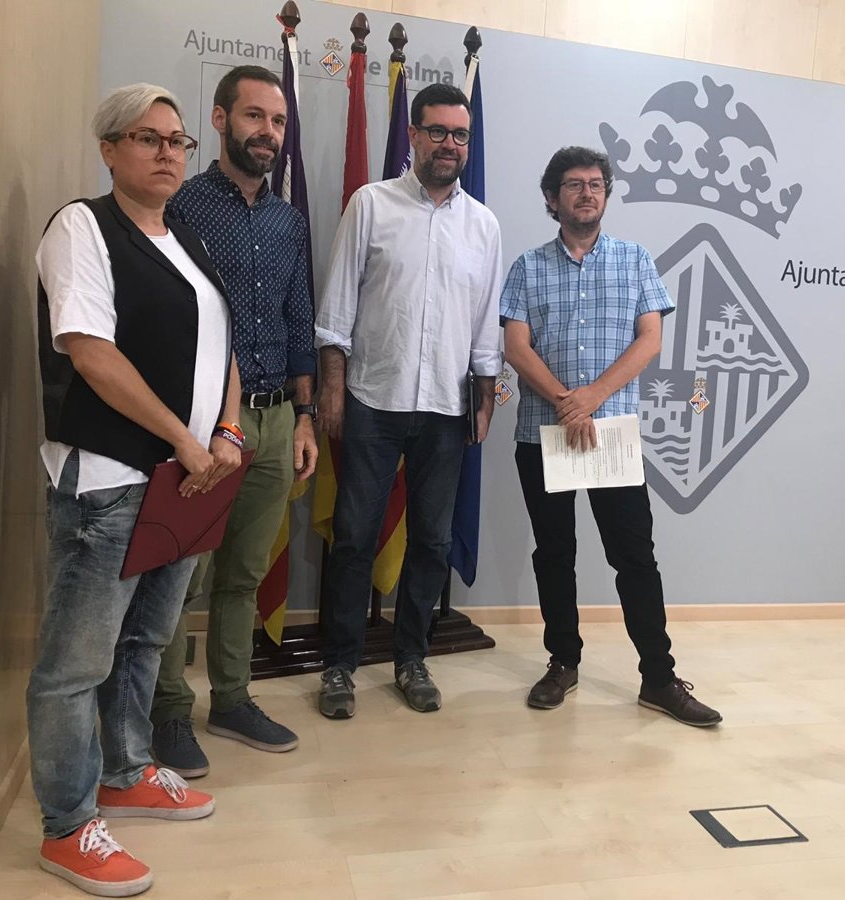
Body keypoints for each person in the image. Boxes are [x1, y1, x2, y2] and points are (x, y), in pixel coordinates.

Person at [29, 83, 237, 897]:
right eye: (147, 138)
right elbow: (89, 350)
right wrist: (184, 438)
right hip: (111, 480)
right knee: (74, 665)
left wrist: (224, 431)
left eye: (177, 140)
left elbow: (222, 344)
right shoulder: (82, 227)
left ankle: (124, 771)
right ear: (109, 149)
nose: (167, 153)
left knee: (147, 640)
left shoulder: (185, 236)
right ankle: (68, 827)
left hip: (184, 480)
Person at [499, 146, 723, 728]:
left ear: (606, 194)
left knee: (635, 558)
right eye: (574, 184)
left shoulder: (635, 259)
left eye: (596, 184)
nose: (587, 193)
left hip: (612, 436)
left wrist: (592, 397)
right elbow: (516, 347)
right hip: (543, 434)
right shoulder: (527, 266)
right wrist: (565, 402)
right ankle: (562, 663)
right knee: (554, 554)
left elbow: (650, 340)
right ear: (552, 198)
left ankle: (659, 678)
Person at [150, 65, 318, 776]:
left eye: (277, 122)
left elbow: (299, 320)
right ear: (219, 120)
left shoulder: (288, 221)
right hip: (204, 423)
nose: (267, 133)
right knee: (179, 575)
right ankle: (166, 711)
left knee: (244, 572)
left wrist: (306, 418)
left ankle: (231, 698)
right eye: (254, 117)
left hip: (277, 422)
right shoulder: (180, 207)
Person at [315, 83, 502, 717]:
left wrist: (484, 397)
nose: (450, 144)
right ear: (414, 135)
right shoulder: (371, 204)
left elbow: (484, 323)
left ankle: (411, 658)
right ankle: (339, 666)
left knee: (432, 542)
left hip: (448, 408)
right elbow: (337, 307)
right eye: (438, 131)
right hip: (373, 398)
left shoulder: (483, 225)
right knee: (353, 538)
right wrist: (333, 390)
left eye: (461, 135)